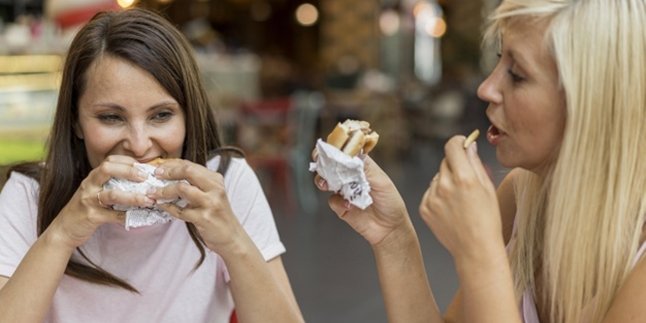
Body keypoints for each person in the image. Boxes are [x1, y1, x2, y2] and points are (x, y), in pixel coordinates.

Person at [315, 0, 646, 322]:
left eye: (516, 75)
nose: (486, 88)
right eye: (499, 60)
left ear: (593, 102)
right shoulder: (521, 196)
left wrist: (479, 252)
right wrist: (392, 236)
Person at [0, 8, 303, 323]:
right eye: (111, 117)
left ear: (188, 116)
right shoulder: (29, 195)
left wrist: (232, 241)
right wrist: (62, 233)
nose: (140, 144)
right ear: (76, 121)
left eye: (161, 115)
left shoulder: (225, 182)